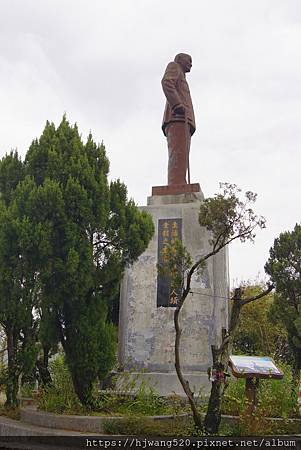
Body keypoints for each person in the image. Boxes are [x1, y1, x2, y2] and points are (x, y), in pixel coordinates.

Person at [161, 53, 196, 185]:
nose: (191, 64)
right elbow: (166, 82)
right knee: (178, 154)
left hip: (183, 120)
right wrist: (177, 104)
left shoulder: (182, 75)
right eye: (189, 60)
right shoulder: (174, 66)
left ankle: (180, 182)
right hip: (177, 117)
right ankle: (176, 184)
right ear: (180, 60)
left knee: (182, 155)